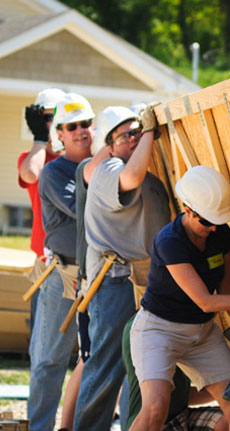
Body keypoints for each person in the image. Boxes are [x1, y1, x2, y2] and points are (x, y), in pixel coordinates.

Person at [72, 105, 170, 430]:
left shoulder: (151, 176)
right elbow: (132, 177)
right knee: (106, 368)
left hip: (148, 283)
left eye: (135, 132)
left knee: (143, 370)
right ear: (110, 146)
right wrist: (151, 132)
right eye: (124, 135)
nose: (132, 139)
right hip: (115, 283)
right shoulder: (108, 170)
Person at [130, 165, 230, 431]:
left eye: (217, 221)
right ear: (187, 210)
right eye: (205, 221)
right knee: (156, 408)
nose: (213, 228)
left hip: (203, 333)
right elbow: (205, 300)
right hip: (159, 331)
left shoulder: (220, 234)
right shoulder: (169, 241)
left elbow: (226, 288)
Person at [29, 93, 95, 431]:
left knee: (97, 359)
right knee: (49, 361)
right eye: (72, 126)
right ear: (61, 134)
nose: (81, 131)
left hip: (101, 276)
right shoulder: (55, 172)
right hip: (63, 275)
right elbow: (84, 210)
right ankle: (40, 427)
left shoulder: (107, 166)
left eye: (86, 123)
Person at [122, 314, 227, 431]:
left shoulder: (187, 319)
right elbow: (156, 407)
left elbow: (185, 396)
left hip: (181, 416)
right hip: (156, 424)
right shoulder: (146, 330)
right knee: (155, 409)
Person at [18, 88, 66, 330]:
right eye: (45, 118)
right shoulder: (31, 157)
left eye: (54, 118)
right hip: (44, 258)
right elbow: (31, 173)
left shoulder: (75, 156)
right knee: (42, 331)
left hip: (77, 257)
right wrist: (40, 138)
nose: (50, 124)